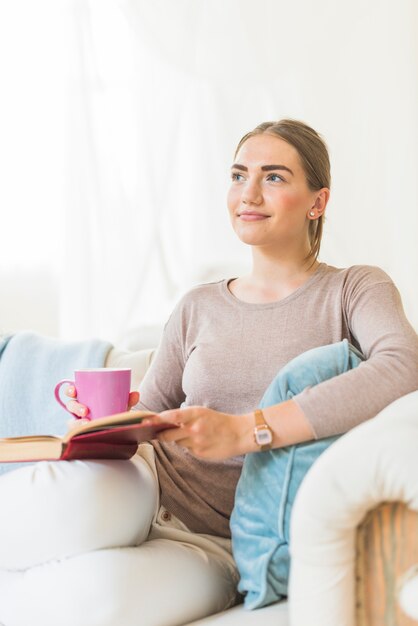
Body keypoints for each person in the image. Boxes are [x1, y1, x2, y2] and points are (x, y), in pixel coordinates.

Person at [1, 119, 418, 626]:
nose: (249, 193)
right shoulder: (198, 305)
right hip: (146, 486)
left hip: (218, 542)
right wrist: (104, 424)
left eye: (275, 177)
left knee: (89, 599)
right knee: (49, 508)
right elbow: (150, 410)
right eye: (239, 175)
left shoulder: (354, 290)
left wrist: (247, 430)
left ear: (318, 202)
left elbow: (403, 367)